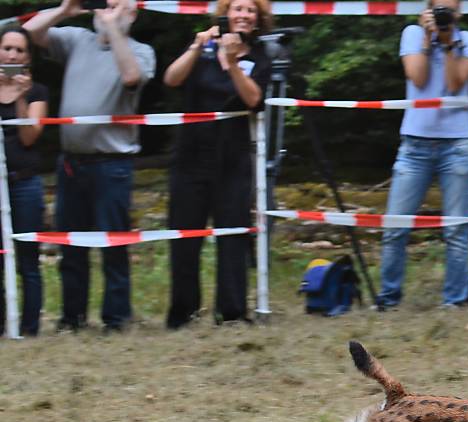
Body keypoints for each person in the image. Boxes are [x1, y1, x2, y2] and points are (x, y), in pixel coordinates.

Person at [25, 0, 155, 332]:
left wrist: (112, 27)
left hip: (112, 165)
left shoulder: (140, 51)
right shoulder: (77, 39)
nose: (107, 11)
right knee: (71, 245)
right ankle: (72, 318)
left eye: (116, 6)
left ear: (132, 13)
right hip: (71, 165)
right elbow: (27, 35)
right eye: (104, 5)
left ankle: (116, 319)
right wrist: (65, 9)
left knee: (113, 245)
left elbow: (131, 77)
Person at [162, 0, 272, 328]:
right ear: (225, 15)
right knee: (184, 236)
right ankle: (183, 312)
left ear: (258, 20)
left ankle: (232, 312)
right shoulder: (203, 50)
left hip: (232, 159)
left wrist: (235, 63)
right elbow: (171, 79)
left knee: (232, 236)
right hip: (190, 157)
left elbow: (254, 100)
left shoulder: (260, 58)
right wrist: (198, 45)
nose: (243, 15)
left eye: (250, 11)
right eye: (237, 9)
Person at [377, 0, 468, 308]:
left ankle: (454, 299)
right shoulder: (412, 33)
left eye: (449, 10)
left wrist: (449, 44)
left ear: (459, 14)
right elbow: (418, 78)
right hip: (415, 143)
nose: (444, 16)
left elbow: (453, 84)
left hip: (458, 144)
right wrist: (428, 38)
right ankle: (389, 297)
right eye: (439, 9)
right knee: (395, 225)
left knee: (456, 229)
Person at [0, 27, 48, 337]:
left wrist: (20, 98)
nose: (12, 55)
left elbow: (30, 137)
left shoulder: (38, 92)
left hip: (25, 183)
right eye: (7, 48)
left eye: (19, 50)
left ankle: (29, 328)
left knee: (28, 260)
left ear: (28, 57)